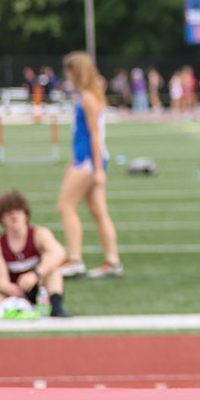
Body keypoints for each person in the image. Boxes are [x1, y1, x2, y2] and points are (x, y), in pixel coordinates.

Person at [58, 51, 123, 278]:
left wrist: (96, 170)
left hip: (88, 160)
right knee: (98, 211)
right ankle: (113, 261)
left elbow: (95, 135)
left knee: (65, 206)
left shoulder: (88, 98)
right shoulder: (88, 95)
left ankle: (75, 259)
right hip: (85, 158)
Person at [0, 189, 70, 317]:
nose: (14, 216)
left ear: (26, 214)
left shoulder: (39, 234)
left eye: (18, 211)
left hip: (40, 287)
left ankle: (56, 307)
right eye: (8, 212)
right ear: (1, 219)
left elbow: (59, 253)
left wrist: (35, 275)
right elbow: (2, 282)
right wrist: (14, 290)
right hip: (17, 291)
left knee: (53, 270)